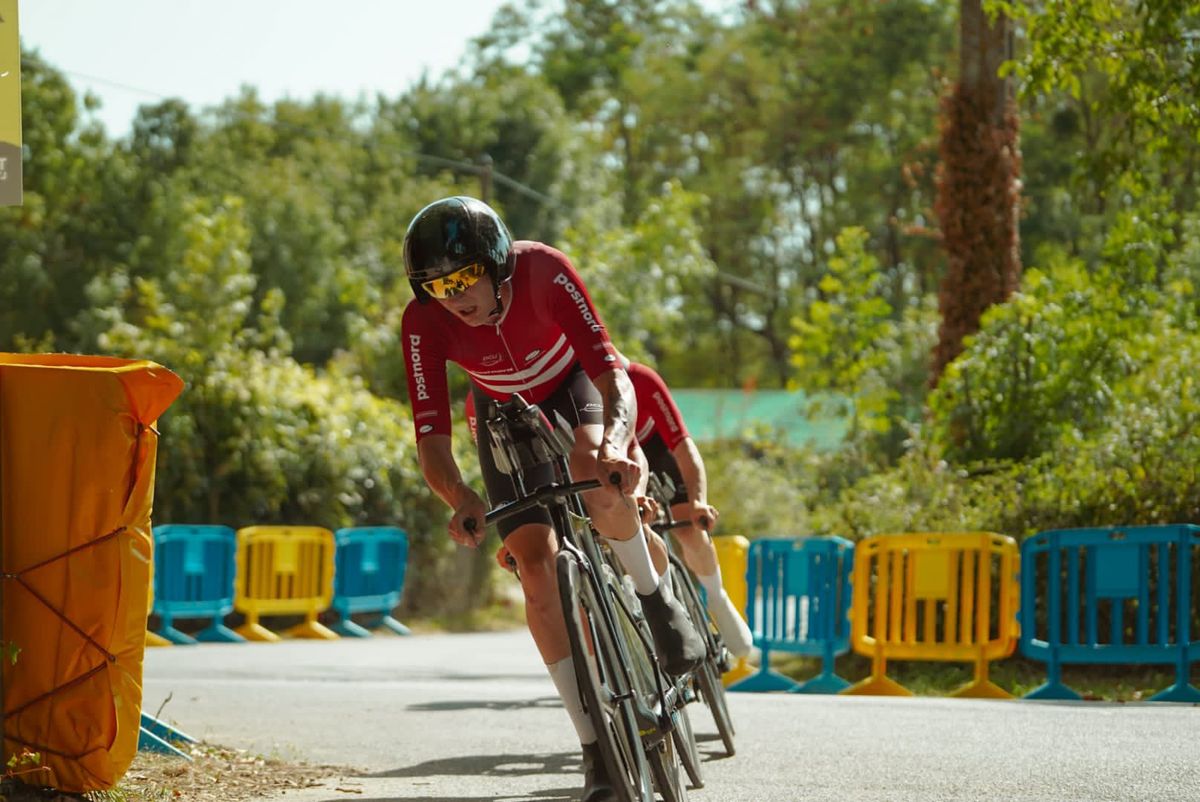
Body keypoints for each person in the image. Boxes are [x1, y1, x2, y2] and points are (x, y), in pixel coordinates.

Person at [399, 196, 704, 802]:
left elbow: (612, 373)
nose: (453, 296)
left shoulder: (544, 270)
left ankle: (656, 601)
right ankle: (592, 743)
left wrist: (619, 444)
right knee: (534, 567)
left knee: (591, 467)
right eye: (436, 287)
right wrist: (459, 497)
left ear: (496, 262)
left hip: (575, 385)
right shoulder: (423, 323)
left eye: (462, 278)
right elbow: (430, 437)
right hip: (500, 410)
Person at [624, 360, 755, 660]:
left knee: (687, 527)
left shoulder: (641, 379)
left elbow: (684, 447)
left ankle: (717, 598)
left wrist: (697, 500)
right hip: (620, 459)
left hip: (656, 450)